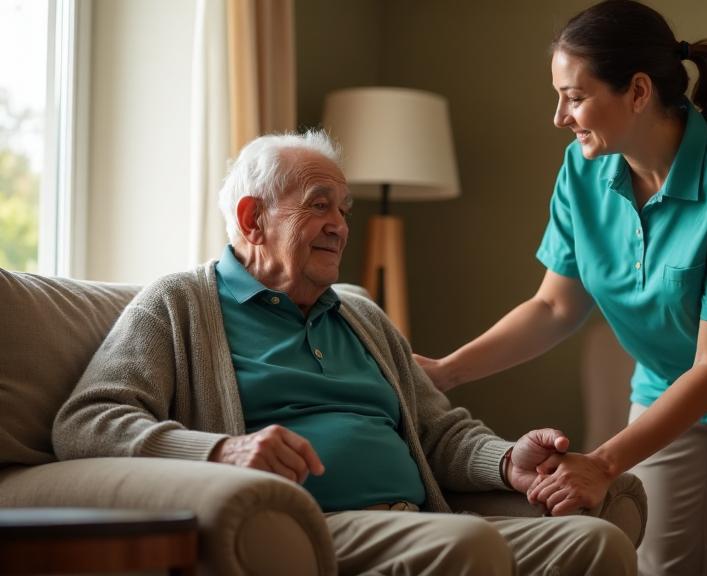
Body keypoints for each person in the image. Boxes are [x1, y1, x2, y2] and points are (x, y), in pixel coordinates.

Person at [51, 130, 637, 576]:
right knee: (466, 543)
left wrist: (507, 460)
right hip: (310, 525)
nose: (339, 225)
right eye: (318, 205)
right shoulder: (178, 304)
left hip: (419, 521)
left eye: (343, 209)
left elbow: (439, 433)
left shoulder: (360, 314)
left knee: (595, 542)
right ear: (253, 218)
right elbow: (87, 421)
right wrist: (223, 451)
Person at [413, 1, 707, 574]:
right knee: (661, 566)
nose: (559, 117)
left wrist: (601, 463)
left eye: (574, 96)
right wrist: (446, 372)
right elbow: (554, 306)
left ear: (638, 91)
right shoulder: (582, 169)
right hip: (665, 385)